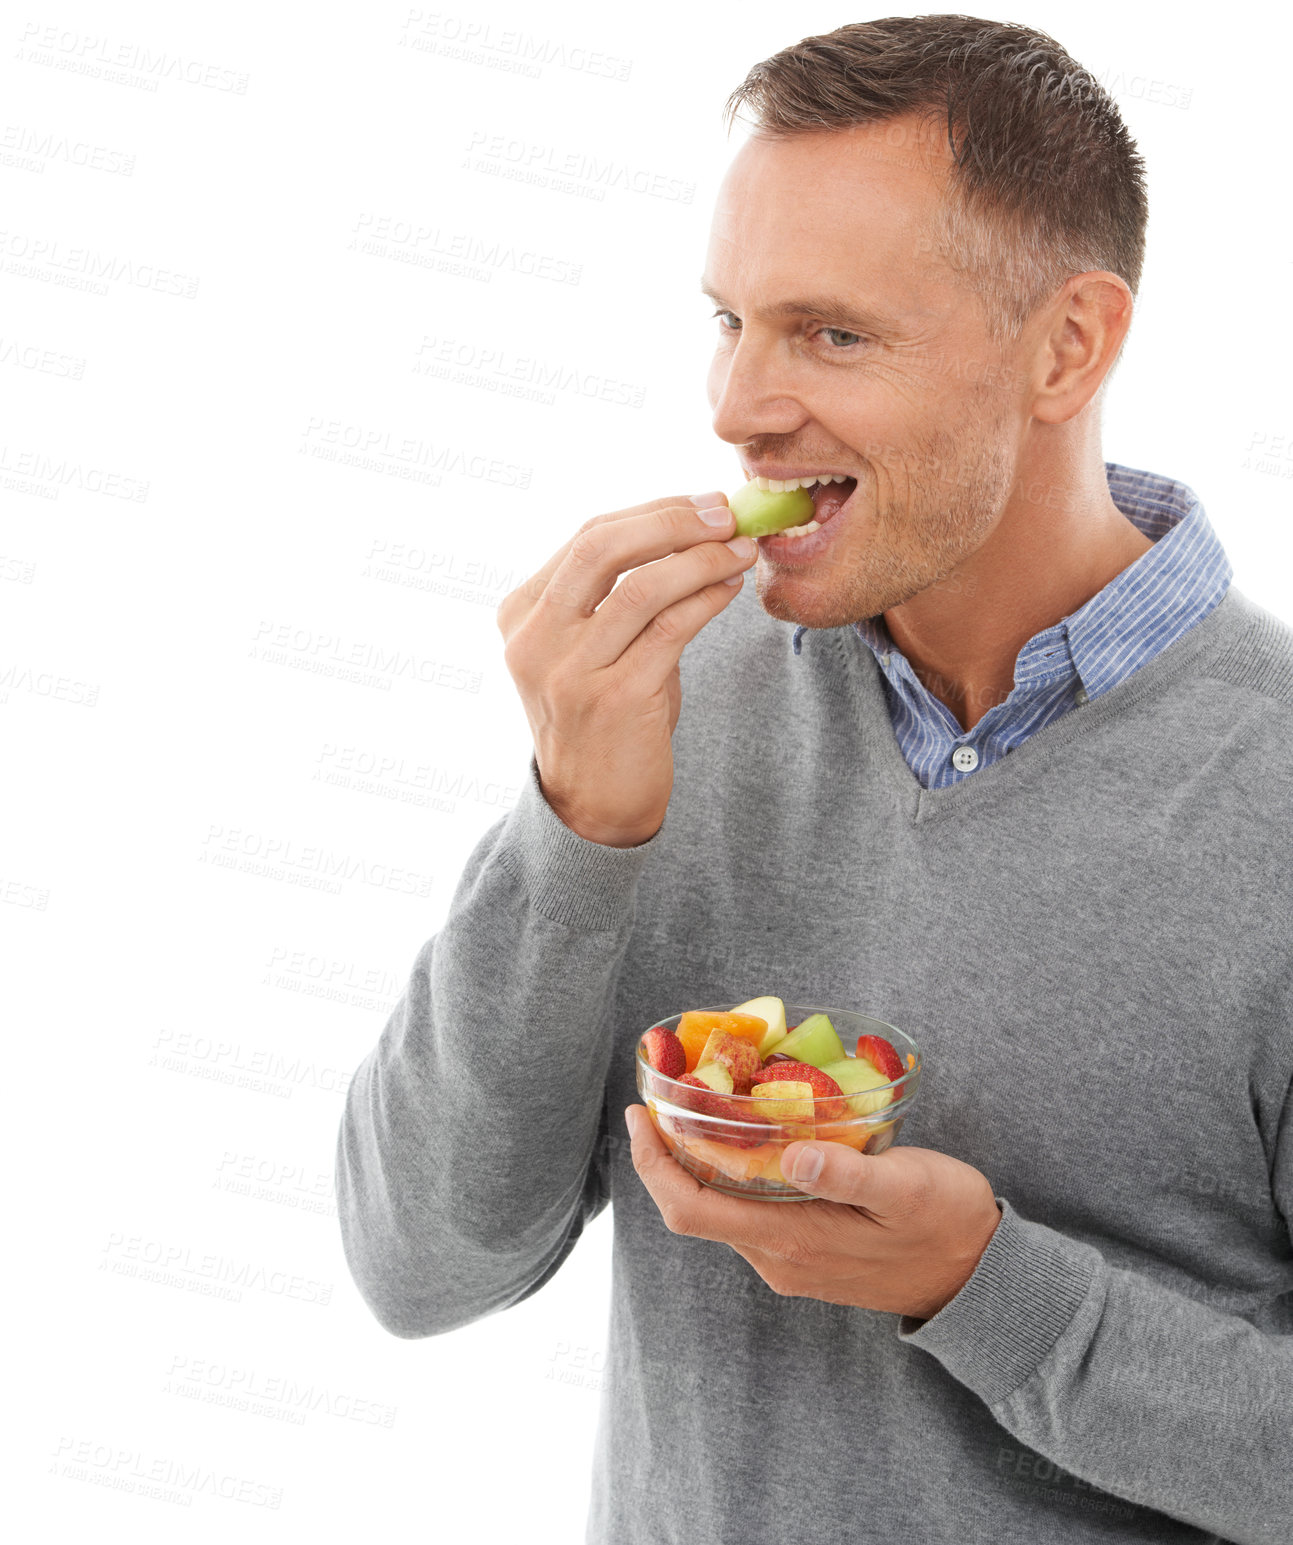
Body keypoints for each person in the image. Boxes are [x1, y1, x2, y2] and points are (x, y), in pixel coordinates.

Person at [335, 15, 1293, 1543]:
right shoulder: (675, 693)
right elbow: (422, 1265)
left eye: (830, 334)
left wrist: (982, 1284)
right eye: (729, 318)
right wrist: (575, 824)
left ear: (1067, 346)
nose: (736, 405)